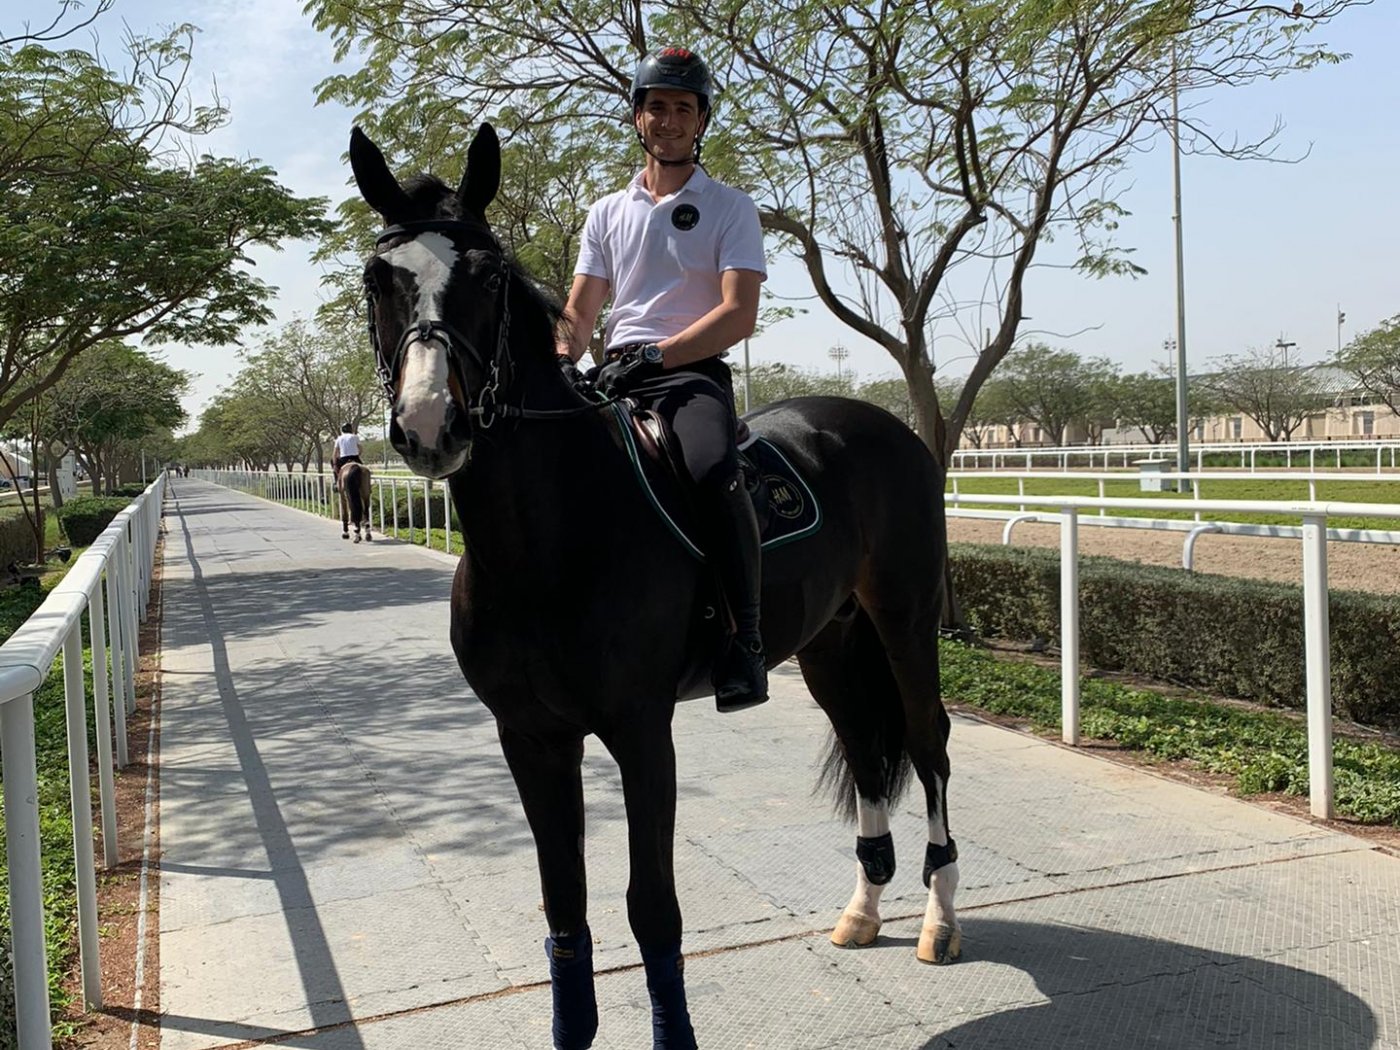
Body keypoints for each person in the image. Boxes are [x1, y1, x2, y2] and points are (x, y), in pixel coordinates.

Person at [554, 46, 769, 713]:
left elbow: (738, 314)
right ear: (637, 118)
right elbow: (581, 312)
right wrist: (561, 360)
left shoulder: (731, 207)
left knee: (708, 469)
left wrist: (658, 356)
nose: (669, 120)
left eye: (683, 108)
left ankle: (746, 643)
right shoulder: (605, 213)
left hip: (689, 378)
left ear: (702, 120)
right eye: (657, 107)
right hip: (614, 374)